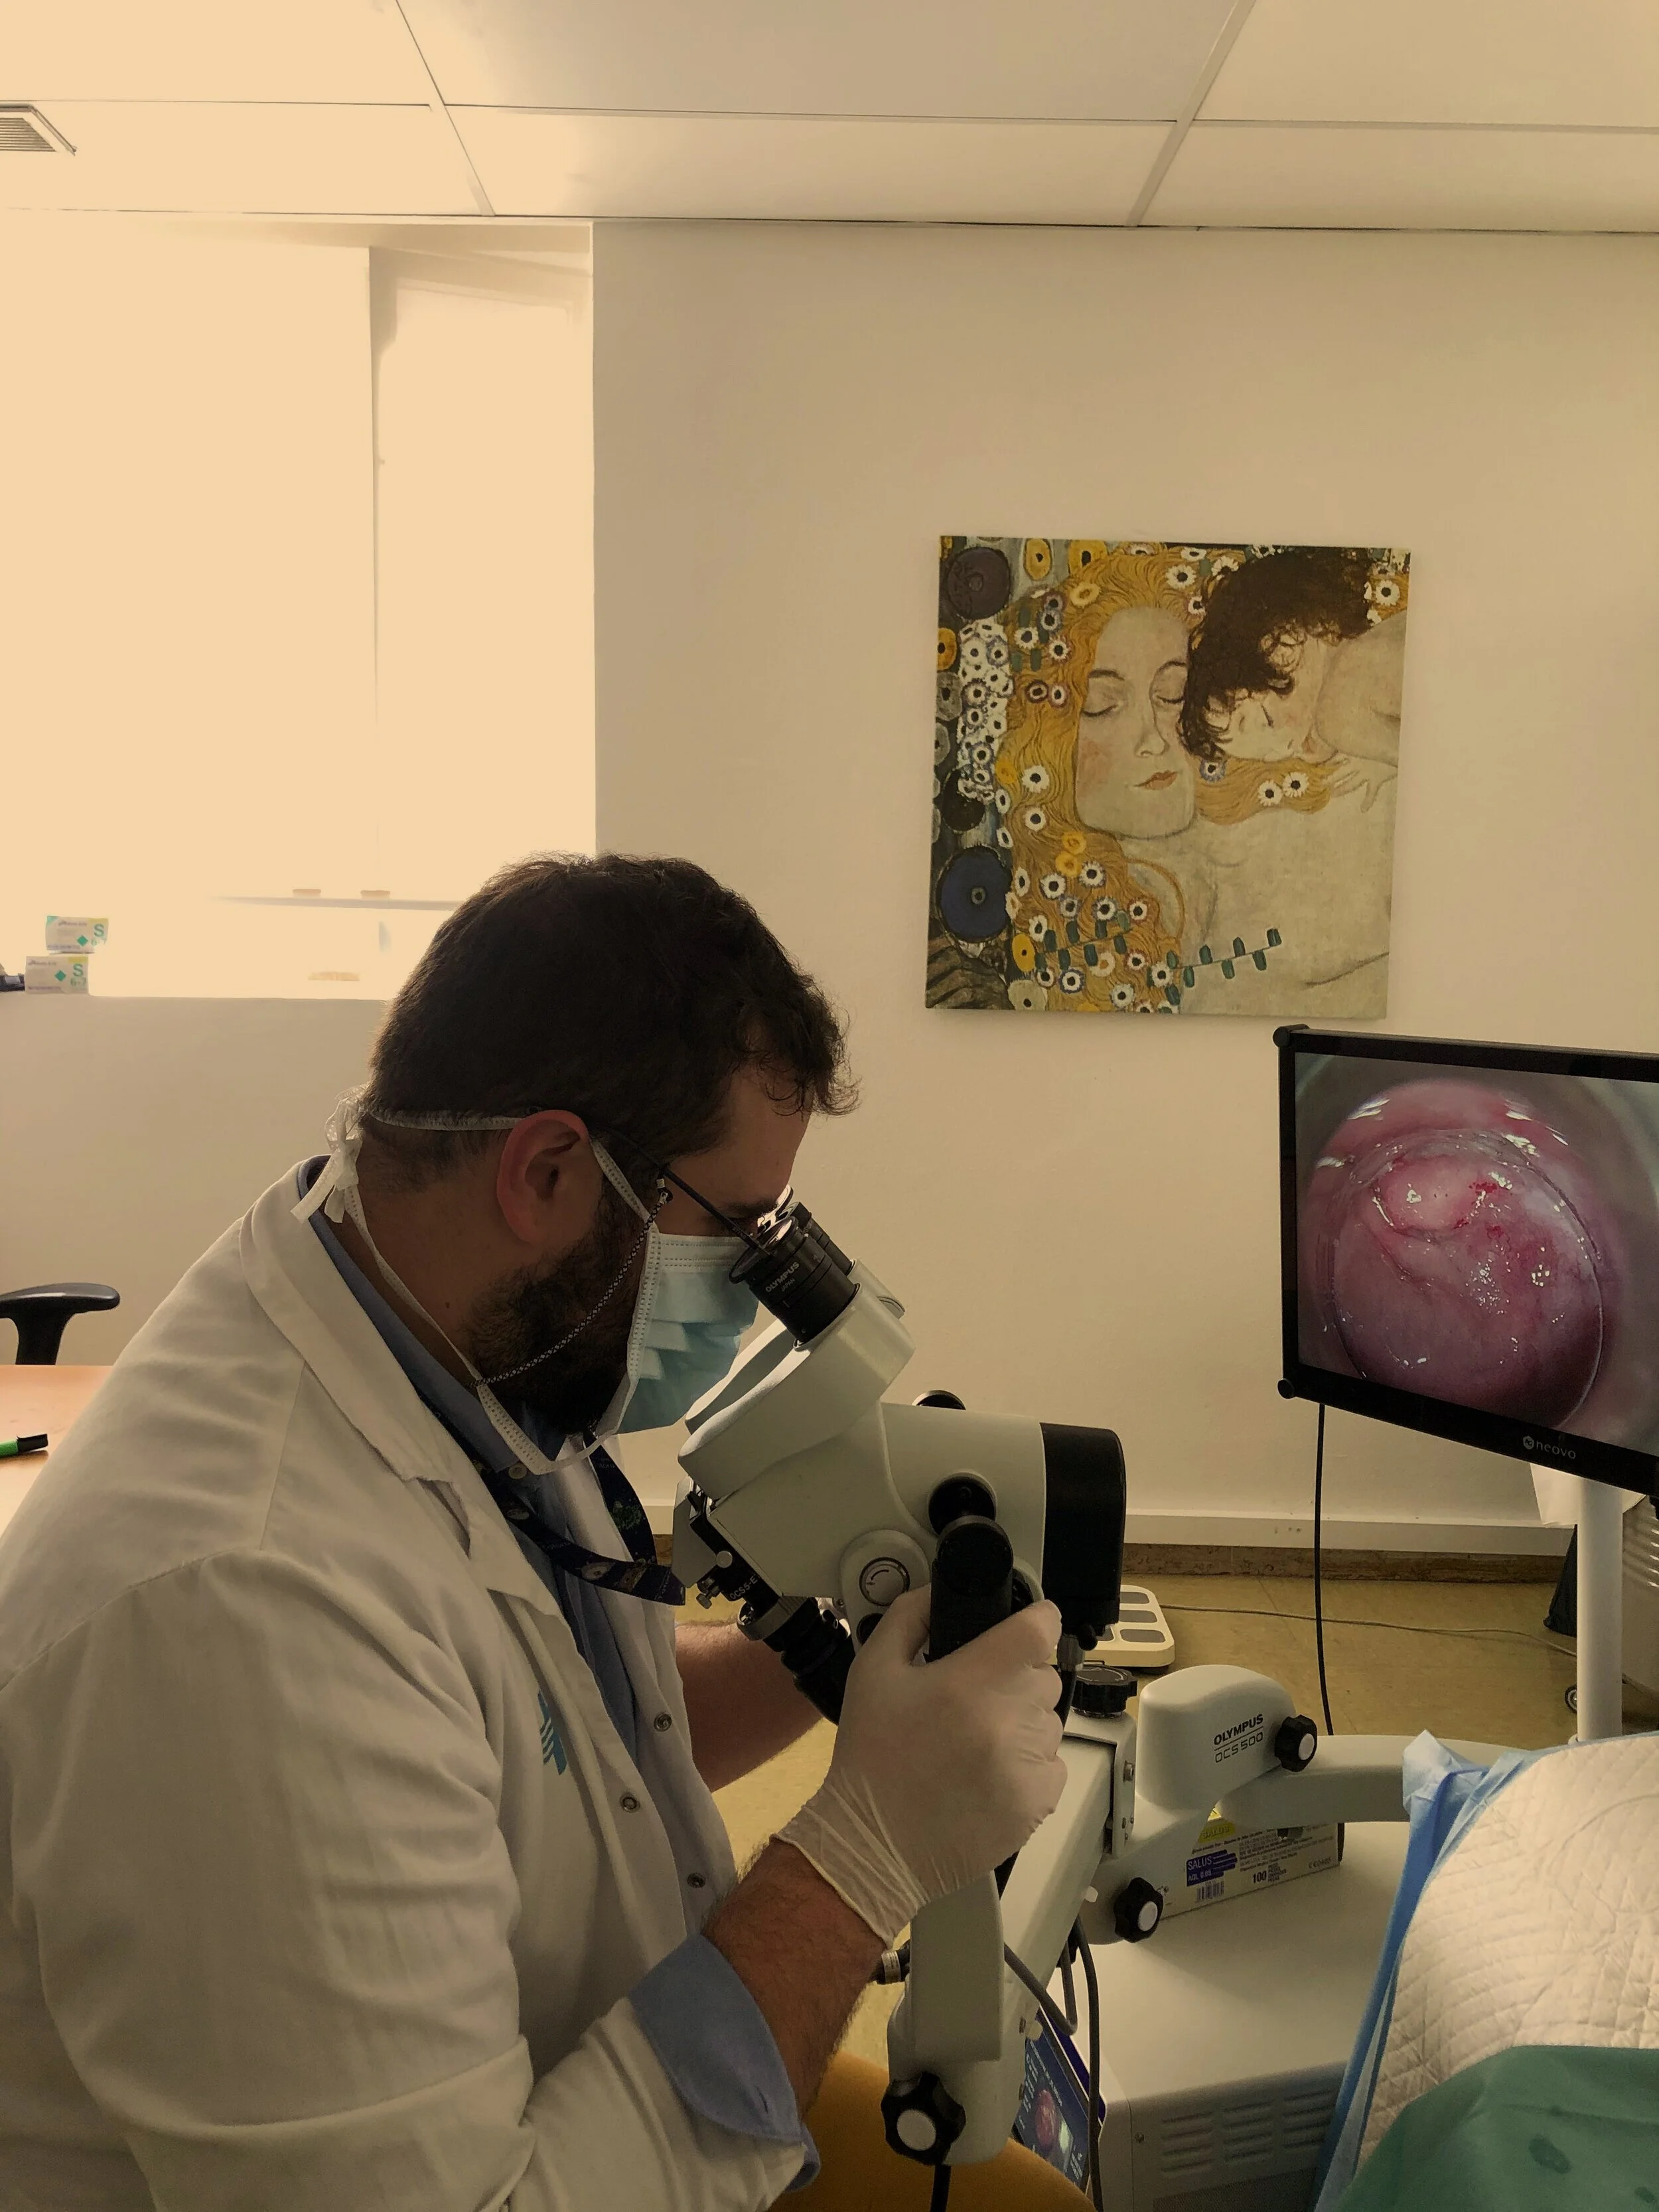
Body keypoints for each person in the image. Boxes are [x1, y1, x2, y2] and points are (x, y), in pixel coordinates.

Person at [0, 854, 1070, 2211]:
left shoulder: (437, 1333)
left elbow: (561, 1725)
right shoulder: (240, 1616)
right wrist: (864, 1856)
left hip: (583, 2067)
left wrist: (834, 1666)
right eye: (736, 1233)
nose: (748, 1288)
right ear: (550, 1169)